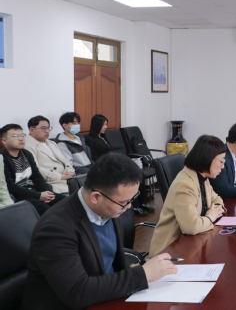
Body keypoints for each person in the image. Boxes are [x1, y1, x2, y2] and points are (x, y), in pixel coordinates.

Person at [21, 153, 178, 309]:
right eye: (124, 202)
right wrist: (143, 275)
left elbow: (111, 266)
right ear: (96, 197)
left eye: (132, 199)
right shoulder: (55, 229)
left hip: (104, 297)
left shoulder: (108, 208)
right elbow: (78, 292)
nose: (129, 206)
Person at [149, 135, 227, 257]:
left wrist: (216, 208)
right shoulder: (185, 185)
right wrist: (210, 217)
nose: (223, 166)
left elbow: (217, 198)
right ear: (208, 158)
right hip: (169, 251)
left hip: (190, 244)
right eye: (221, 161)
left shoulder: (202, 178)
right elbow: (191, 227)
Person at [2, 123, 64, 215]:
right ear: (4, 140)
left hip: (33, 190)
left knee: (64, 201)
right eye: (15, 136)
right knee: (45, 209)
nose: (21, 139)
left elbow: (36, 176)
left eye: (22, 135)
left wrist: (47, 191)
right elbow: (10, 186)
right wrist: (38, 195)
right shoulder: (3, 159)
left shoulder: (26, 154)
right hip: (18, 195)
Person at [25, 115, 75, 195]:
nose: (47, 131)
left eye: (48, 128)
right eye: (43, 128)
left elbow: (65, 160)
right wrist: (60, 176)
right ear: (31, 130)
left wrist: (70, 172)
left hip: (67, 179)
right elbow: (36, 169)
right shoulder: (27, 146)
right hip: (52, 182)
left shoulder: (51, 143)